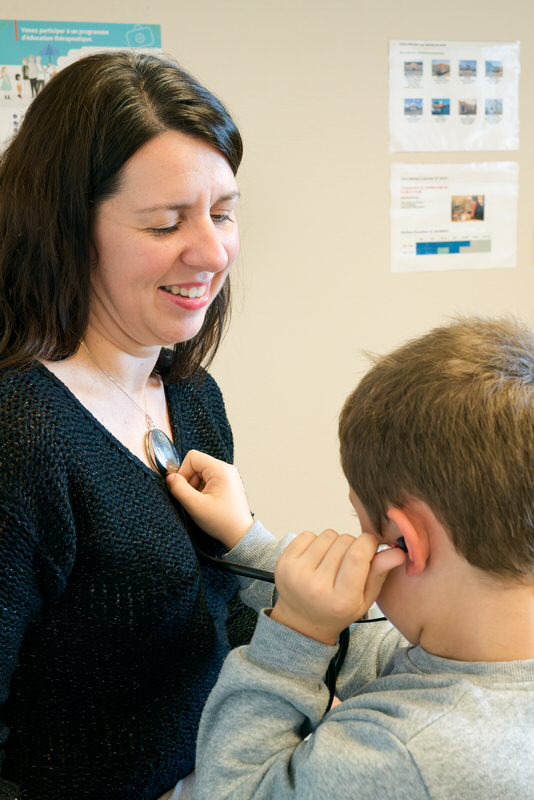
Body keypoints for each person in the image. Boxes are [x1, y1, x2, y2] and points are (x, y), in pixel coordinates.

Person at [0, 50, 259, 800]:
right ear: (63, 228)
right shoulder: (24, 436)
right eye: (164, 223)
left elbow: (216, 613)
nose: (211, 253)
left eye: (222, 213)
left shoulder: (190, 392)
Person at [167, 316, 534, 799]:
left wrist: (293, 639)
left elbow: (234, 790)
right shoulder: (487, 654)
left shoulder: (403, 754)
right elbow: (391, 656)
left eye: (365, 528)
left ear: (408, 542)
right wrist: (247, 540)